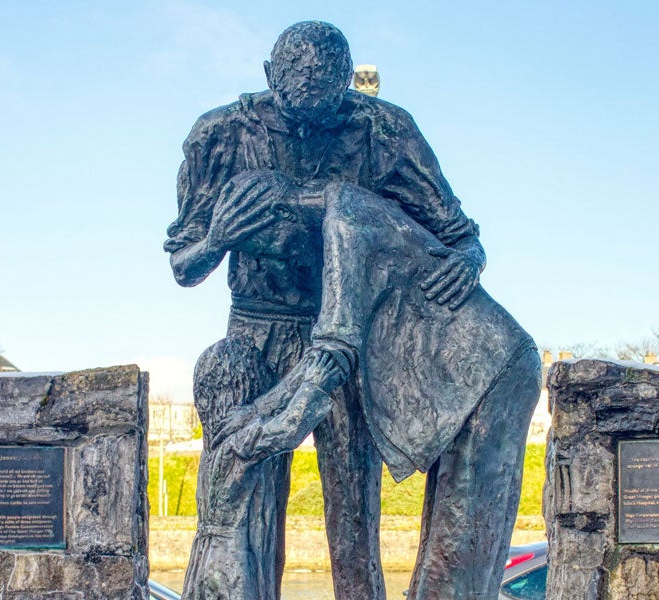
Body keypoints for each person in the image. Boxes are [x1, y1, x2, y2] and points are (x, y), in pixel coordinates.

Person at [166, 21, 488, 599]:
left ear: (347, 87)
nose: (310, 131)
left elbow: (458, 234)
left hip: (344, 332)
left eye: (325, 113)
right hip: (256, 332)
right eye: (296, 116)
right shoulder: (219, 135)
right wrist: (215, 240)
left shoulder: (382, 131)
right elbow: (184, 265)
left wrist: (468, 260)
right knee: (248, 504)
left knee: (353, 512)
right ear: (269, 79)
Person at [181, 337, 346, 600]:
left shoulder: (220, 438)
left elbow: (262, 406)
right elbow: (287, 430)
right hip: (231, 561)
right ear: (241, 384)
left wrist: (305, 368)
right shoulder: (239, 444)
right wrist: (315, 384)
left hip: (206, 556)